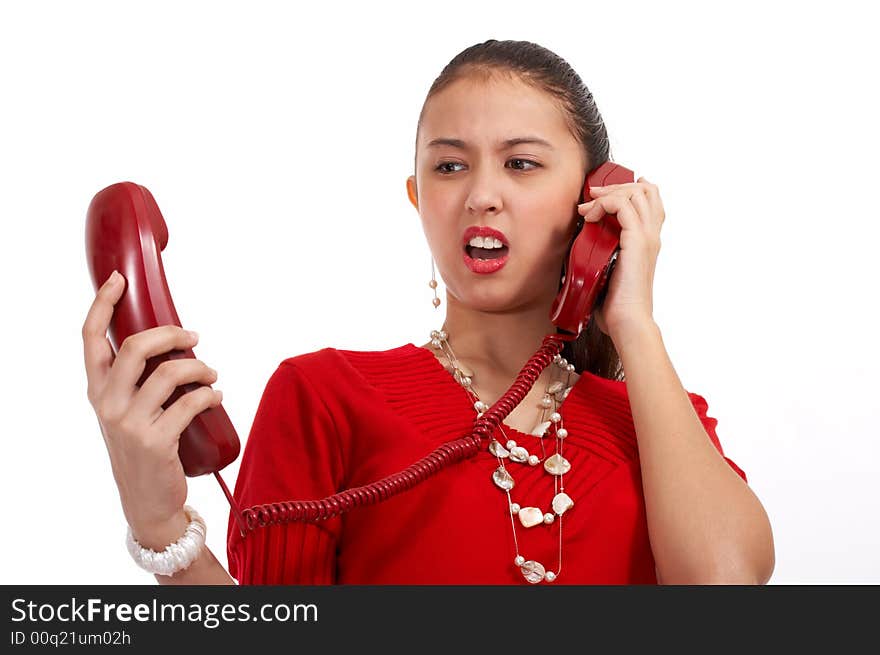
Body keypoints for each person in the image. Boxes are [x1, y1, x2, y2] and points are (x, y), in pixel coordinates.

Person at [82, 39, 775, 585]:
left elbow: (723, 585)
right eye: (449, 167)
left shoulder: (658, 423)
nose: (481, 195)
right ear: (417, 197)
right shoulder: (324, 396)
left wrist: (633, 320)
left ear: (595, 202)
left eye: (522, 164)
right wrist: (158, 522)